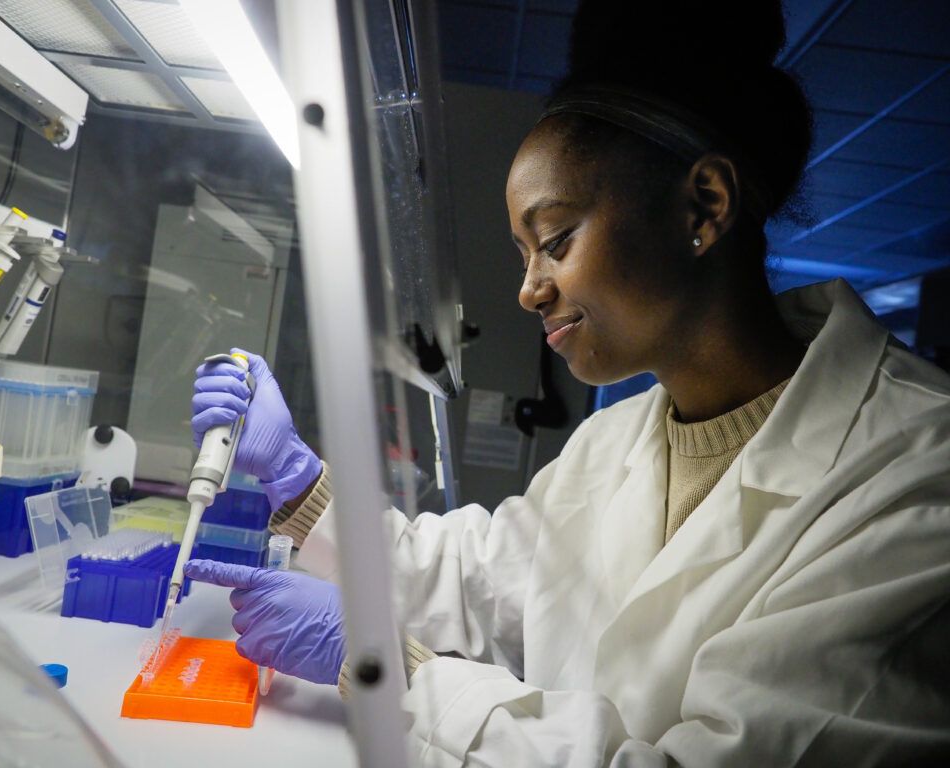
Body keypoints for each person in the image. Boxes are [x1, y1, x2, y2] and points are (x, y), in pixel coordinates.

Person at [184, 1, 950, 764]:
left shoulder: (915, 477)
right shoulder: (614, 442)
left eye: (554, 241)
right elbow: (476, 578)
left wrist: (395, 672)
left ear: (704, 206)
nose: (528, 290)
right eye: (524, 254)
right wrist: (297, 482)